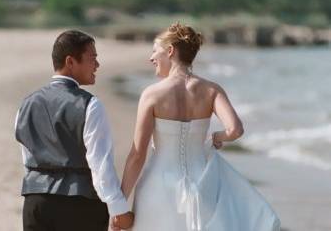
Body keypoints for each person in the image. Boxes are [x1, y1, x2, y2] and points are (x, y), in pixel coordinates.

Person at [117, 23, 280, 231]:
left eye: (154, 51)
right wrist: (217, 137)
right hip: (203, 187)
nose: (151, 58)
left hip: (158, 187)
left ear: (170, 51)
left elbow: (137, 154)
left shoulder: (152, 94)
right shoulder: (212, 90)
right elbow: (235, 130)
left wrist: (119, 204)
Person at [15, 30, 134, 231]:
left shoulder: (26, 104)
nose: (97, 65)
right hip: (80, 204)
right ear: (70, 62)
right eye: (92, 58)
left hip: (35, 202)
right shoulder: (89, 105)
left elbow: (28, 158)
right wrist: (118, 209)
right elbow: (100, 165)